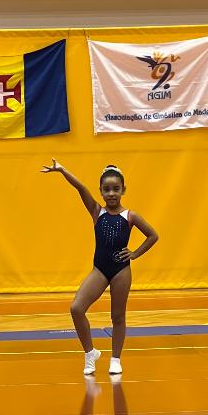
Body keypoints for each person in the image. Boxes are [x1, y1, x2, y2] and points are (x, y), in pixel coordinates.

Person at [40, 160, 159, 380]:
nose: (111, 193)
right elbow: (80, 188)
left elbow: (153, 235)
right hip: (100, 270)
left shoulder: (130, 216)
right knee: (76, 308)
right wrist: (62, 170)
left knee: (118, 316)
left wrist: (134, 254)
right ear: (101, 191)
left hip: (121, 270)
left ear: (123, 190)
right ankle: (90, 354)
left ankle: (116, 359)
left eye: (116, 189)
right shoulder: (97, 211)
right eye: (107, 189)